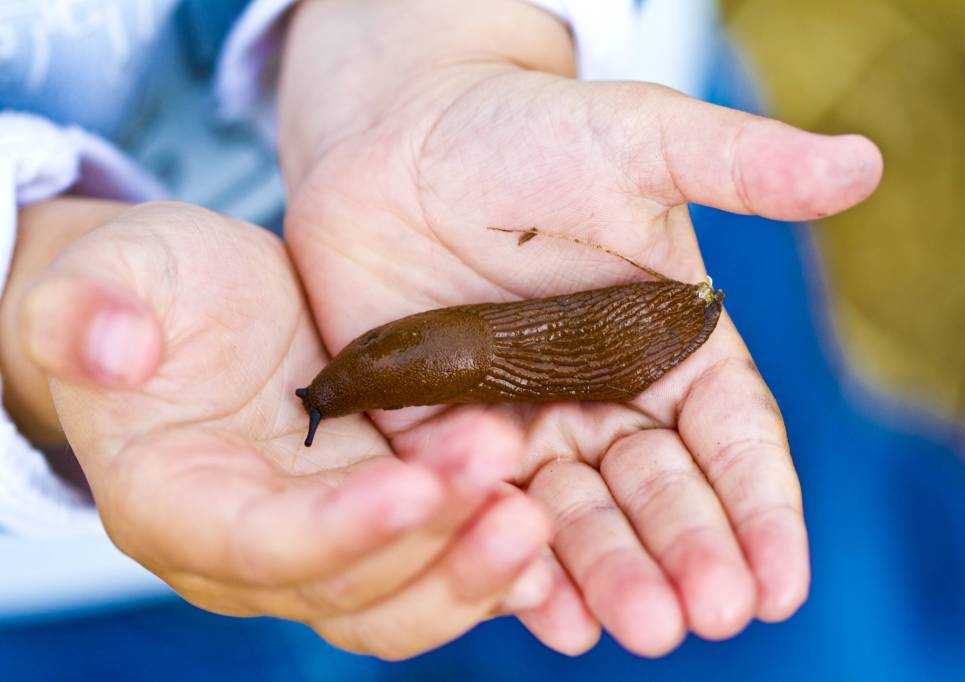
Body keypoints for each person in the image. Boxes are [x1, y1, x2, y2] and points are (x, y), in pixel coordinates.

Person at [0, 0, 882, 660]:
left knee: (831, 611)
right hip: (86, 570)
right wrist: (31, 296)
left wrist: (447, 34)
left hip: (565, 142)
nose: (336, 384)